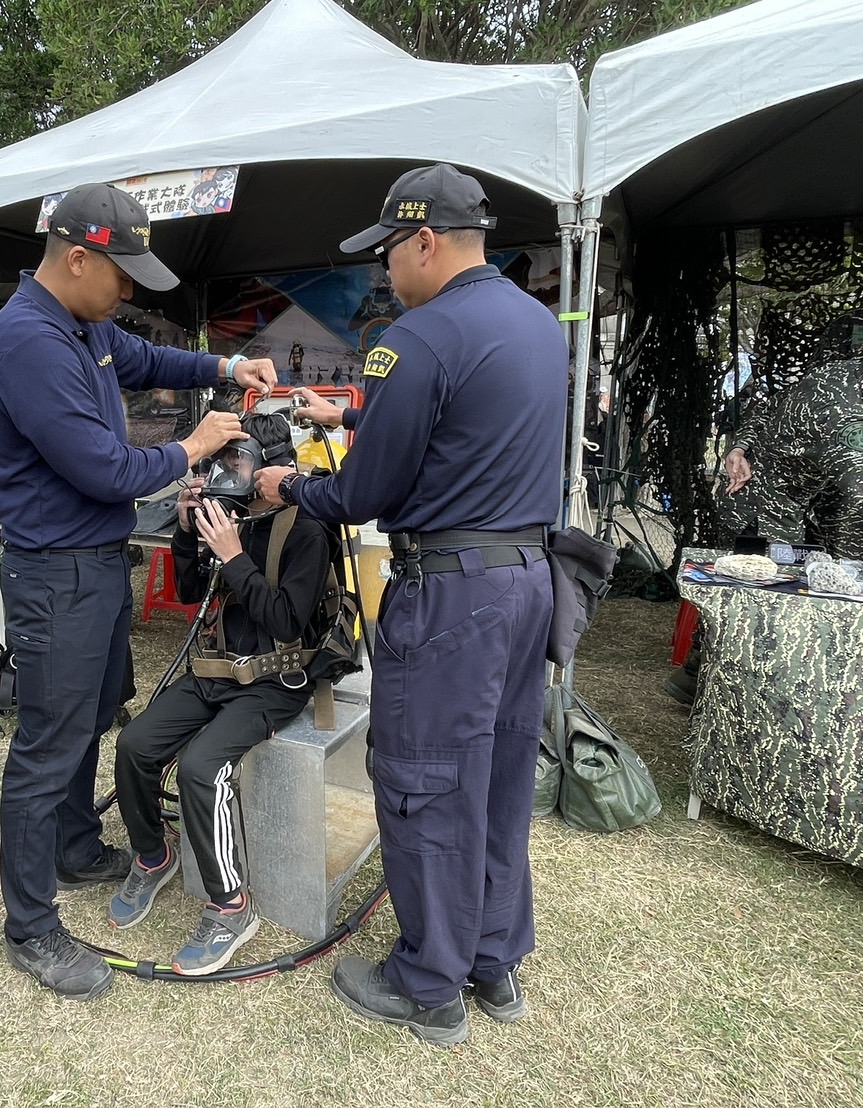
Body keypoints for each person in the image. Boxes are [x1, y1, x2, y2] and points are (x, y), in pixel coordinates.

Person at [255, 164, 565, 1048]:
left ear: (424, 241)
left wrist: (289, 484)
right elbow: (465, 436)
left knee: (427, 780)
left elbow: (363, 492)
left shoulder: (415, 338)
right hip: (525, 581)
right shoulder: (535, 325)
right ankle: (491, 961)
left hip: (452, 592)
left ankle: (428, 982)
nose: (383, 272)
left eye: (388, 252)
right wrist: (349, 417)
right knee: (499, 776)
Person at [0, 181, 277, 1001]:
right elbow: (104, 470)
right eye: (121, 276)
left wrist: (224, 364)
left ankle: (76, 846)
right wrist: (194, 444)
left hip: (95, 565)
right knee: (46, 743)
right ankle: (31, 927)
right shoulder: (27, 342)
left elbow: (148, 359)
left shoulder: (82, 326)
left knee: (92, 714)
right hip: (55, 575)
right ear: (77, 258)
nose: (128, 294)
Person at [108, 413, 331, 974]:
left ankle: (231, 906)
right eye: (219, 460)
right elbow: (186, 590)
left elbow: (285, 620)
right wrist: (187, 533)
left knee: (202, 767)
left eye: (236, 460)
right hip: (216, 668)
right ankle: (154, 855)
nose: (222, 472)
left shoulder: (306, 529)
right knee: (135, 744)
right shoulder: (226, 517)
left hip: (277, 678)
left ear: (272, 467)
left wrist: (233, 556)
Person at [719, 319, 863, 561]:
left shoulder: (844, 373)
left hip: (772, 509)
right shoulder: (842, 409)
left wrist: (740, 447)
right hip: (763, 518)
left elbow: (773, 404)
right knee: (764, 594)